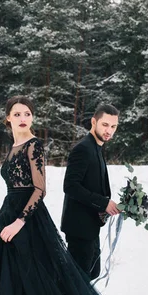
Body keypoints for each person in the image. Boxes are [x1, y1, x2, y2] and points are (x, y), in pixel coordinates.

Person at [0, 96, 107, 295]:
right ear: (8, 118)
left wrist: (19, 222)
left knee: (35, 278)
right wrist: (8, 221)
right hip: (8, 215)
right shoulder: (14, 147)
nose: (23, 118)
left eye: (27, 114)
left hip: (29, 220)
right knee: (10, 278)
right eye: (17, 114)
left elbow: (40, 190)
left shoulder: (34, 145)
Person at [60, 104, 121, 281]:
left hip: (91, 226)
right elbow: (70, 186)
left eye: (113, 126)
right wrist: (103, 203)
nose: (109, 130)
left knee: (92, 273)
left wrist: (110, 206)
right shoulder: (83, 149)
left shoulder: (97, 148)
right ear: (94, 122)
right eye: (105, 125)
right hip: (79, 228)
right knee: (78, 282)